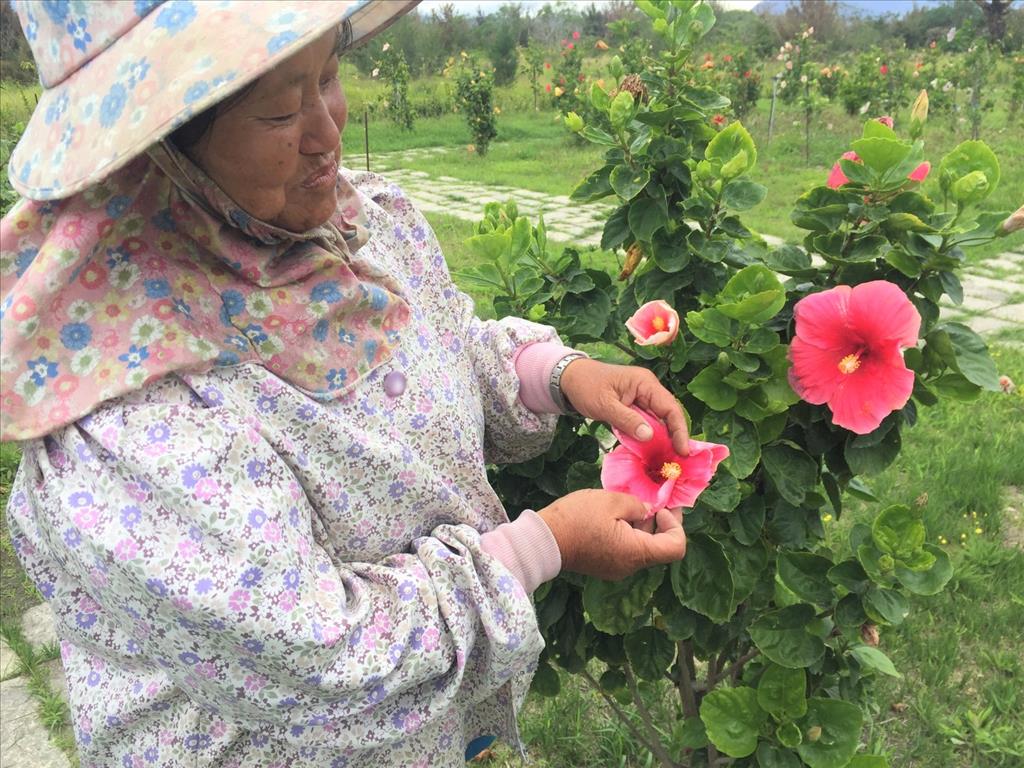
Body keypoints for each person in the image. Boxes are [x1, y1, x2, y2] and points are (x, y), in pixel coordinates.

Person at [0, 2, 691, 765]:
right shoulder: (129, 415)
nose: (326, 132)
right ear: (155, 150)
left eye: (328, 72)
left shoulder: (351, 223)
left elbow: (437, 350)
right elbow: (325, 660)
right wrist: (543, 546)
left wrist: (558, 376)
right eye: (279, 110)